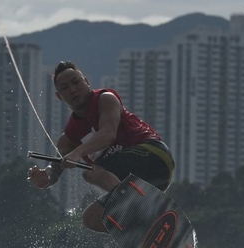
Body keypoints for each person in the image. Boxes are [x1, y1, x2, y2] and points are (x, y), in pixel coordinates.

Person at [27, 61, 175, 233]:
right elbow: (54, 170)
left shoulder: (105, 99)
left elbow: (108, 133)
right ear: (59, 96)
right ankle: (143, 233)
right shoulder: (67, 140)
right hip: (137, 182)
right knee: (92, 218)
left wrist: (78, 153)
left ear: (86, 82)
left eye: (76, 82)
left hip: (154, 157)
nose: (73, 90)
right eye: (65, 88)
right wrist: (44, 179)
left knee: (91, 172)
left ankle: (140, 211)